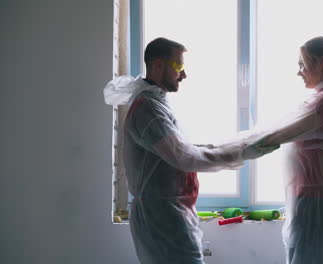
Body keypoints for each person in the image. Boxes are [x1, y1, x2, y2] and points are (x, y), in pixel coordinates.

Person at [103, 37, 278, 264]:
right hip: (161, 216)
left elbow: (184, 149)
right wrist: (240, 153)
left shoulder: (157, 104)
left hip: (171, 212)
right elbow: (184, 158)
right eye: (179, 66)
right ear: (157, 65)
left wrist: (238, 144)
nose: (184, 74)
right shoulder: (148, 109)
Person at [256, 36, 323, 263]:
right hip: (316, 203)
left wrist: (219, 153)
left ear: (321, 64)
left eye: (302, 64)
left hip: (315, 207)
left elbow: (275, 135)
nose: (298, 72)